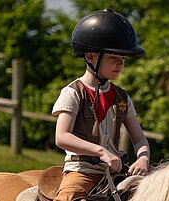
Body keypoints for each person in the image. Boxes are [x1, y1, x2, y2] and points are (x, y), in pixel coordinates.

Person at [51, 8, 150, 201]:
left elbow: (139, 139)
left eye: (123, 59)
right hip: (82, 172)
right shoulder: (73, 92)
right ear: (90, 57)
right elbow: (61, 137)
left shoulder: (122, 97)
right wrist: (101, 152)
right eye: (113, 58)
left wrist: (143, 157)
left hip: (120, 174)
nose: (120, 64)